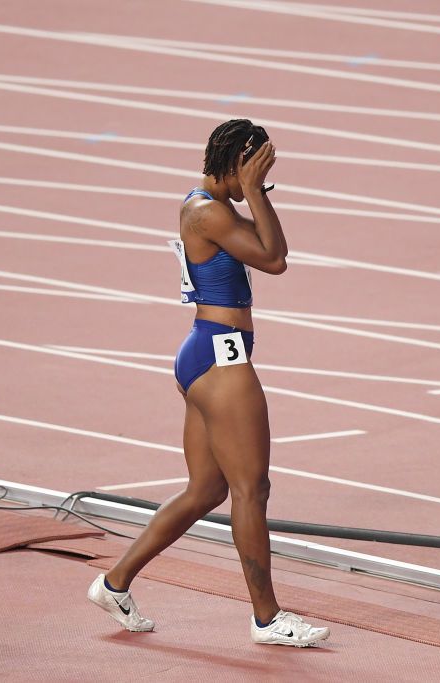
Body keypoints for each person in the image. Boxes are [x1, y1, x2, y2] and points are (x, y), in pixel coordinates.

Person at [87, 119, 330, 647]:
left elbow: (270, 247)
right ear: (238, 161)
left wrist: (252, 192)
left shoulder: (215, 206)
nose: (263, 180)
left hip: (208, 352)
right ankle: (267, 619)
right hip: (220, 356)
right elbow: (275, 259)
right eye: (258, 166)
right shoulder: (207, 210)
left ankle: (114, 582)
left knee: (206, 489)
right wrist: (252, 192)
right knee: (251, 489)